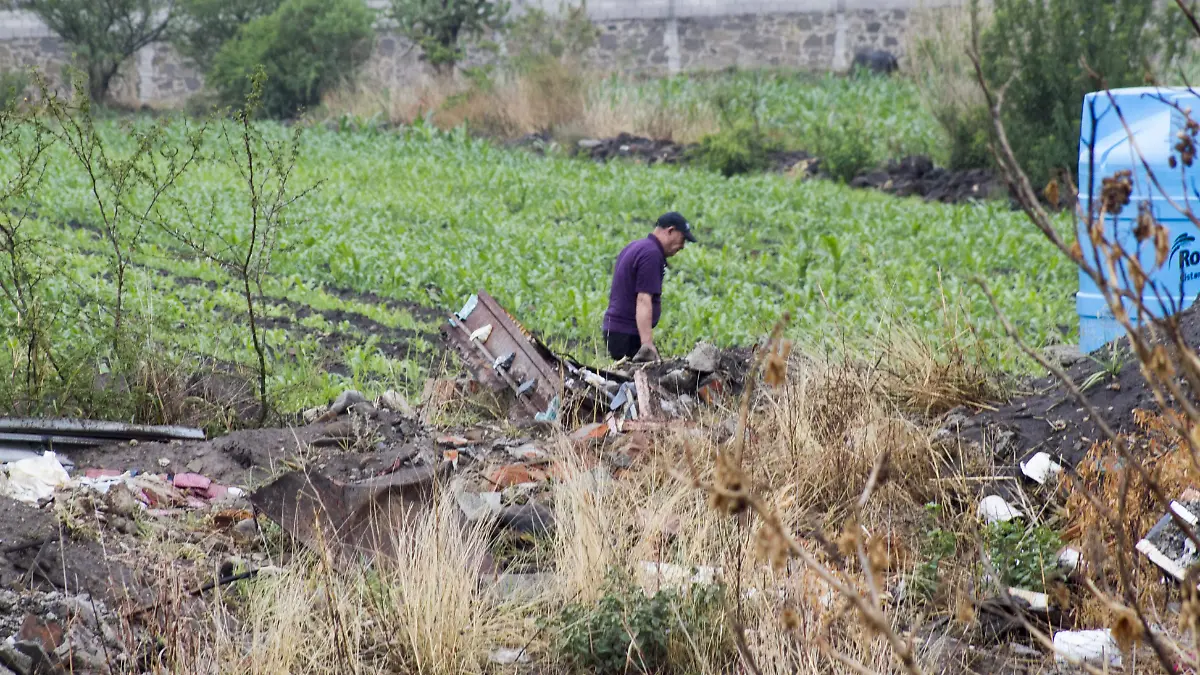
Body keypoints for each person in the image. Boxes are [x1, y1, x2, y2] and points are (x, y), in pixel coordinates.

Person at [602, 212, 697, 361]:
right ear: (670, 231)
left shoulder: (636, 246)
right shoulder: (651, 254)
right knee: (644, 378)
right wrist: (646, 344)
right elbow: (643, 299)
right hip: (628, 333)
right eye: (682, 239)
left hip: (615, 330)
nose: (683, 246)